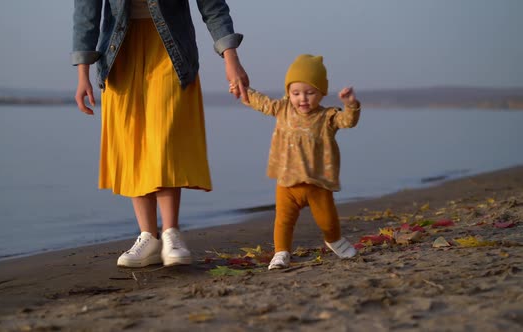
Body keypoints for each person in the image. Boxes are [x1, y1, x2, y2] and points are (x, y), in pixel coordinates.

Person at [72, 0, 249, 268]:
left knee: (164, 137)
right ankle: (148, 237)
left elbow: (212, 6)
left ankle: (170, 233)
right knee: (132, 140)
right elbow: (87, 12)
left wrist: (230, 58)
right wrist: (82, 73)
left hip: (172, 50)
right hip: (119, 51)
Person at [231, 54, 359, 270]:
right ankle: (281, 252)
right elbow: (260, 102)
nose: (303, 99)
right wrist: (243, 90)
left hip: (317, 183)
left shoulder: (327, 116)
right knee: (283, 221)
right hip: (287, 182)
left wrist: (351, 105)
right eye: (296, 93)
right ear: (288, 93)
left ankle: (334, 240)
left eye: (310, 93)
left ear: (321, 92)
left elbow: (348, 121)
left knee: (328, 221)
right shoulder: (282, 109)